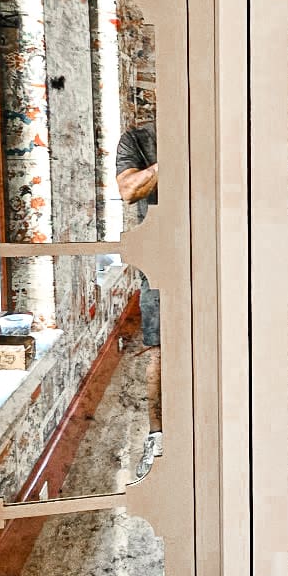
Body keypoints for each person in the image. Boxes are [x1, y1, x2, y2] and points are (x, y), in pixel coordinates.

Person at [115, 121, 162, 476]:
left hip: (223, 254)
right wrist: (172, 159)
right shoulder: (137, 137)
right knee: (161, 351)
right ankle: (158, 437)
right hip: (164, 260)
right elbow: (129, 191)